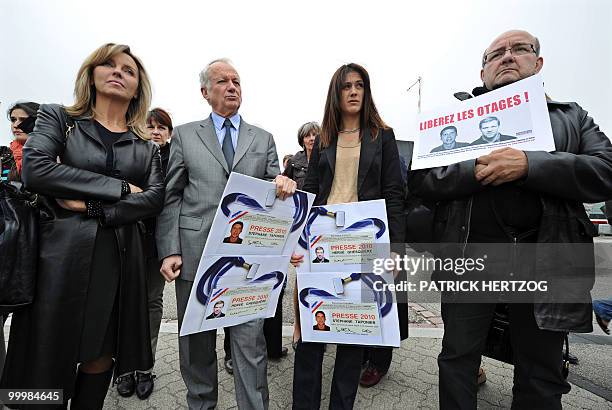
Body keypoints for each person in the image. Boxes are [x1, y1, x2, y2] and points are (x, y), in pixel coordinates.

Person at [408, 30, 612, 409]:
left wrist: (529, 165)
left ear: (538, 63)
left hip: (547, 262)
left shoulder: (571, 116)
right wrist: (476, 169)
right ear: (483, 71)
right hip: (469, 261)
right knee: (457, 358)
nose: (507, 57)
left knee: (541, 370)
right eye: (496, 54)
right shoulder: (454, 120)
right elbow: (420, 178)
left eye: (520, 49)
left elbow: (605, 170)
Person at [0, 43, 164, 408]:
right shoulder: (59, 118)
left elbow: (153, 199)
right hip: (58, 258)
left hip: (120, 260)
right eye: (108, 64)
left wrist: (91, 206)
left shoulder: (145, 146)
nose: (118, 71)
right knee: (45, 355)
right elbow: (38, 170)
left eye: (129, 69)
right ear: (91, 74)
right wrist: (119, 188)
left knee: (101, 353)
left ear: (138, 87)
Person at [155, 58, 296, 410]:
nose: (232, 86)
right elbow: (172, 195)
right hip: (195, 252)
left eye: (236, 81)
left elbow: (271, 190)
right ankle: (201, 403)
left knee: (250, 342)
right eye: (223, 81)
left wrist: (281, 183)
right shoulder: (186, 135)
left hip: (247, 262)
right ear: (205, 92)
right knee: (196, 343)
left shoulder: (262, 138)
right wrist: (169, 249)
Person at [291, 63, 406, 409]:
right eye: (346, 86)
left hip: (365, 243)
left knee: (353, 335)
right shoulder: (324, 138)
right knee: (313, 332)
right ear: (336, 94)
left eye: (359, 85)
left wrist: (395, 250)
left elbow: (394, 194)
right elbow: (310, 190)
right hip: (322, 241)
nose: (354, 91)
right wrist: (298, 240)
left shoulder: (382, 135)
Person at [115, 107, 173, 400]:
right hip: (126, 239)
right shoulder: (132, 155)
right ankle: (123, 368)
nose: (156, 131)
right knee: (122, 303)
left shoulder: (175, 160)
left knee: (152, 302)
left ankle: (145, 366)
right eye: (150, 126)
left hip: (157, 245)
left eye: (162, 127)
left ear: (170, 133)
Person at [1, 102, 40, 182]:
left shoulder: (56, 156)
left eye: (23, 120)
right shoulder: (2, 156)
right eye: (13, 120)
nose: (16, 125)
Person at [284, 121, 320, 189]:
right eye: (307, 136)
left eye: (315, 135)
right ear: (302, 140)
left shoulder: (326, 160)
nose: (312, 138)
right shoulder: (293, 162)